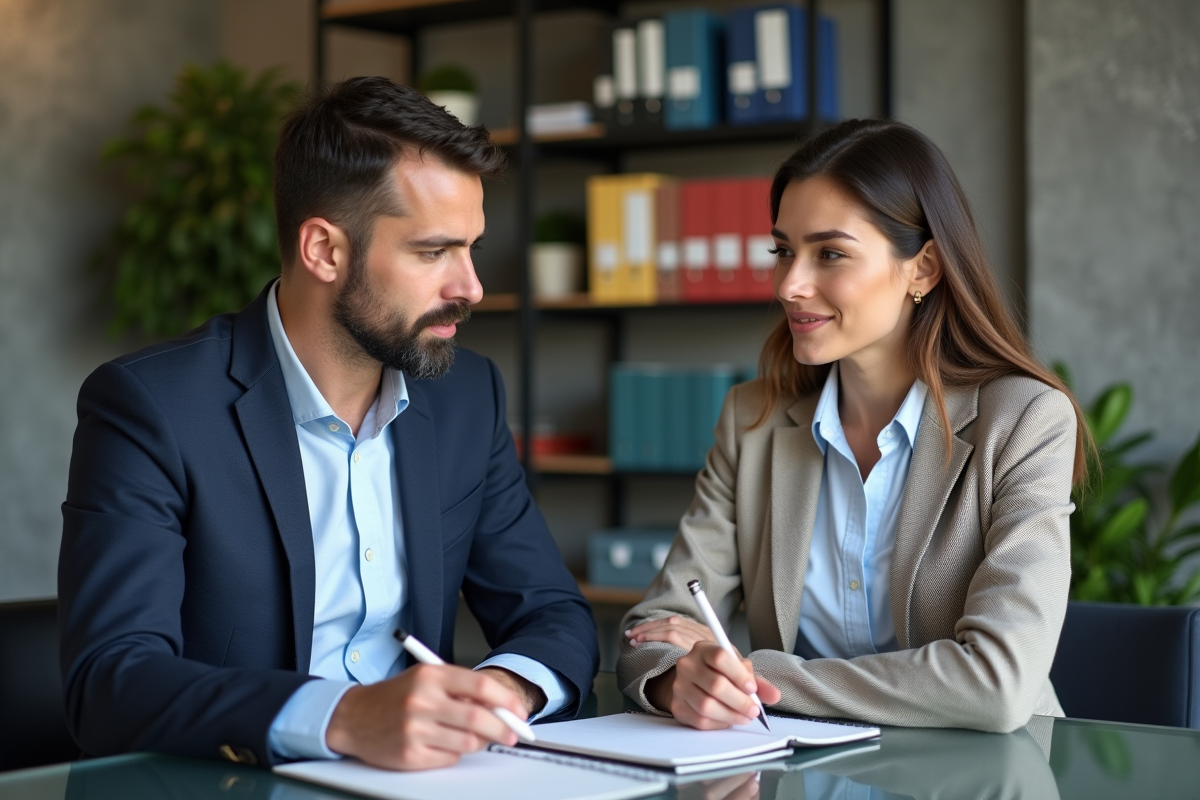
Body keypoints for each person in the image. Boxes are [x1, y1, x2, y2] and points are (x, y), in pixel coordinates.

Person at [58, 77, 598, 771]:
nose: (471, 288)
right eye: (433, 253)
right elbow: (109, 683)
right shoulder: (149, 407)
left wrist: (506, 688)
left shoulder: (468, 396)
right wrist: (340, 716)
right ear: (324, 250)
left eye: (473, 250)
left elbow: (552, 613)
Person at [617, 119, 1090, 734]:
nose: (790, 284)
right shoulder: (752, 420)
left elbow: (996, 685)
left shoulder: (1026, 422)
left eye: (830, 253)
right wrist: (677, 679)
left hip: (982, 776)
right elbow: (652, 630)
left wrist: (755, 671)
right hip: (801, 768)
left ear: (922, 269)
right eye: (783, 250)